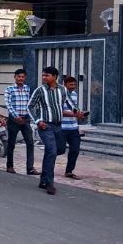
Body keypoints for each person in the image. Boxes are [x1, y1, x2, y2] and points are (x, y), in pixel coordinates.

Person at [28, 67, 82, 195]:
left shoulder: (62, 90)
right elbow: (30, 106)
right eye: (43, 75)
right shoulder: (40, 90)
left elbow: (70, 104)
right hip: (45, 126)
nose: (44, 78)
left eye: (47, 75)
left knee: (59, 150)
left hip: (58, 126)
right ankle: (49, 183)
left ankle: (43, 179)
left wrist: (77, 112)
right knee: (52, 151)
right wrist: (38, 121)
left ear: (55, 77)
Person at [4, 68, 39, 175]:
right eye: (19, 76)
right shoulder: (9, 89)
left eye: (23, 77)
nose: (21, 78)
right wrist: (16, 116)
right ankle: (10, 166)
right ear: (15, 77)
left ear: (25, 78)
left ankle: (30, 168)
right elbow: (8, 104)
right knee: (11, 143)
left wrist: (31, 117)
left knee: (30, 143)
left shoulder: (28, 88)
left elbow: (30, 104)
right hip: (14, 120)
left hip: (26, 119)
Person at [61, 76, 83, 180]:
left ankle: (69, 171)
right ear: (64, 85)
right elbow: (57, 111)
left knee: (75, 150)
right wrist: (73, 114)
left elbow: (74, 109)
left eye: (74, 85)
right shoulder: (59, 94)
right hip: (61, 127)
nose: (73, 86)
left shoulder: (74, 94)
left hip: (73, 127)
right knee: (58, 150)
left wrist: (79, 114)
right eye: (70, 84)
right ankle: (48, 168)